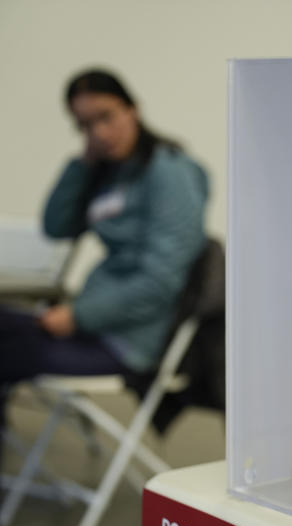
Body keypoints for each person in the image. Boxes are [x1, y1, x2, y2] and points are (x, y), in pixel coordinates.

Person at [0, 69, 208, 429]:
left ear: (133, 110)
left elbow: (159, 282)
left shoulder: (169, 173)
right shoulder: (109, 171)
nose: (98, 133)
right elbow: (56, 226)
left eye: (105, 117)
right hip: (92, 323)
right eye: (84, 125)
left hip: (129, 342)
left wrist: (78, 315)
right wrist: (82, 165)